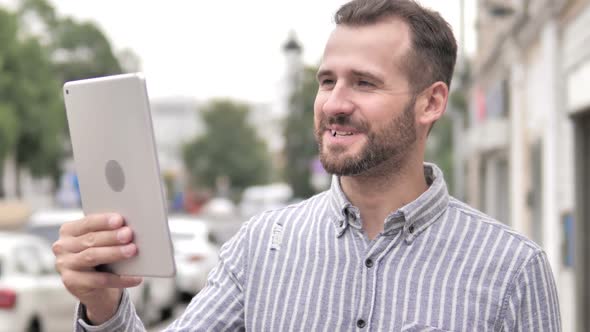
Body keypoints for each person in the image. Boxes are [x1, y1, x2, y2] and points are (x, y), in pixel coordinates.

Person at [53, 0, 561, 331]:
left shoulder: (512, 270)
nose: (334, 103)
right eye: (326, 81)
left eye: (364, 82)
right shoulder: (261, 247)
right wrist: (102, 307)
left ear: (431, 103)